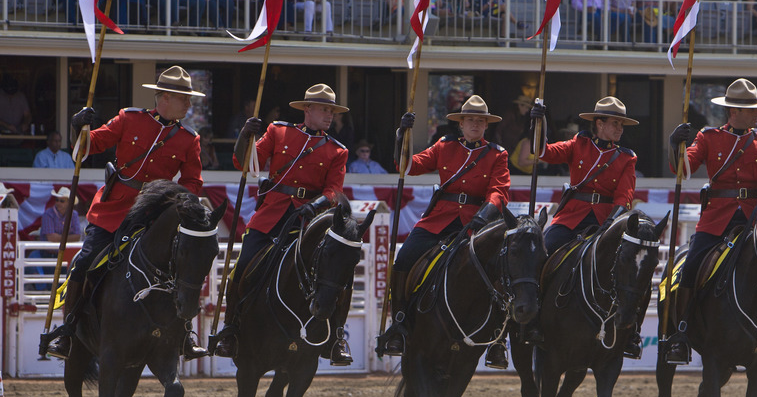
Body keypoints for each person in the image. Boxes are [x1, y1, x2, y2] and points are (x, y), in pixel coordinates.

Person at [42, 66, 207, 361]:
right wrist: (77, 127)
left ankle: (183, 335)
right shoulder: (129, 119)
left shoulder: (188, 138)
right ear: (165, 97)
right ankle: (68, 332)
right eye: (185, 99)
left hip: (155, 215)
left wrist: (181, 201)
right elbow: (87, 147)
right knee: (83, 264)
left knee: (183, 269)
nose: (189, 105)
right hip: (113, 210)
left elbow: (193, 181)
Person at [661, 79, 757, 368]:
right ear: (733, 111)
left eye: (756, 110)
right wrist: (675, 145)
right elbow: (683, 168)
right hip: (717, 217)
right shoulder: (708, 137)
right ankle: (680, 333)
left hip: (756, 217)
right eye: (750, 110)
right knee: (690, 267)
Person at [214, 84, 351, 362]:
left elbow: (334, 191)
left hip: (309, 221)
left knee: (337, 275)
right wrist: (246, 136)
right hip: (272, 214)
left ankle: (336, 339)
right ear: (307, 110)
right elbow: (247, 164)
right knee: (242, 267)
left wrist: (314, 206)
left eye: (332, 110)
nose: (329, 115)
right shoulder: (278, 131)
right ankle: (230, 329)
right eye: (324, 109)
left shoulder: (338, 151)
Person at [376, 95, 511, 366]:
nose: (475, 124)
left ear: (486, 126)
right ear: (461, 124)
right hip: (439, 220)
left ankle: (498, 338)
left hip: (476, 222)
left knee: (502, 268)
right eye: (470, 119)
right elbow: (409, 167)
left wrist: (484, 216)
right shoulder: (444, 146)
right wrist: (402, 136)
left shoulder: (497, 154)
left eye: (480, 121)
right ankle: (399, 325)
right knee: (404, 259)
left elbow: (499, 191)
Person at [526, 95, 643, 359]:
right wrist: (538, 123)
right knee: (541, 256)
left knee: (632, 269)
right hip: (572, 217)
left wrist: (611, 224)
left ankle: (630, 331)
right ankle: (533, 320)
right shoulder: (579, 144)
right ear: (599, 123)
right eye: (615, 123)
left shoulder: (626, 158)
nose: (620, 129)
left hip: (605, 220)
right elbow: (543, 152)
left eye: (622, 125)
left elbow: (624, 197)